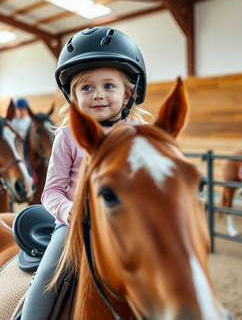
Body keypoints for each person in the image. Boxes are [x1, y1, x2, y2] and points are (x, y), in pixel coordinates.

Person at [19, 26, 151, 320]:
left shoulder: (140, 135)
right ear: (73, 96)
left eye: (109, 86)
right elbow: (51, 191)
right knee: (46, 279)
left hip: (129, 222)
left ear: (128, 92)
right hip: (76, 226)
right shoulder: (67, 137)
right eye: (86, 88)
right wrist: (69, 212)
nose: (98, 95)